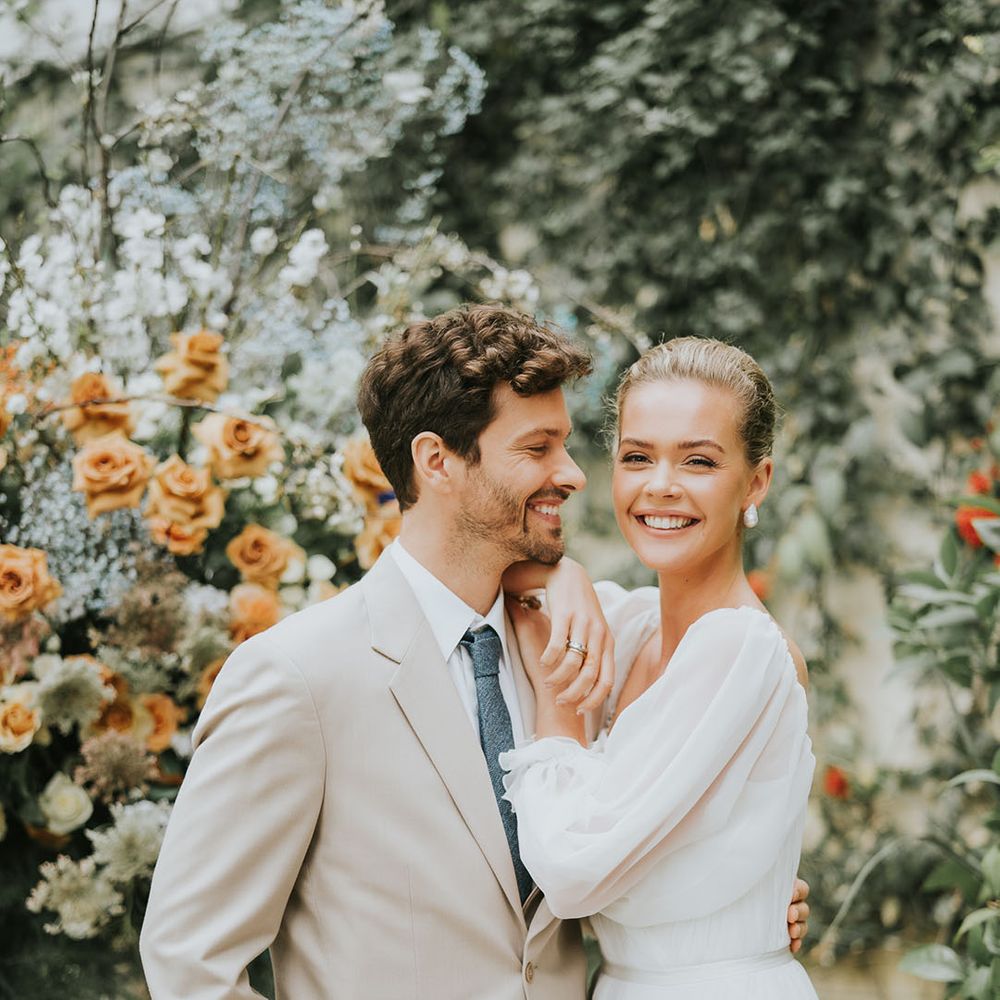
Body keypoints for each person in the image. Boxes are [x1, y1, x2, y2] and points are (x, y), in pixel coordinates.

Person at [139, 307, 808, 1000]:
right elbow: (192, 964)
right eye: (538, 448)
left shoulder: (577, 646)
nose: (574, 474)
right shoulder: (296, 679)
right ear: (437, 462)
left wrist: (744, 902)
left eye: (569, 444)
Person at [499, 337, 818, 999]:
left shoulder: (740, 650)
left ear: (756, 481)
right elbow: (482, 573)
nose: (660, 485)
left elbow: (569, 870)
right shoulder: (631, 625)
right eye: (637, 457)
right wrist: (563, 572)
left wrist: (561, 705)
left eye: (698, 460)